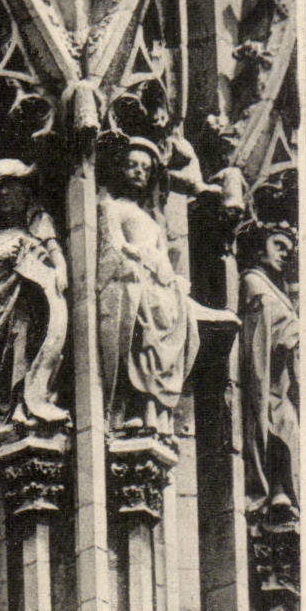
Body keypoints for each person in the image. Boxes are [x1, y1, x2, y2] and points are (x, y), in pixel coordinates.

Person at [96, 136, 200, 436]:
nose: (138, 172)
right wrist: (142, 259)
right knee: (142, 340)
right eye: (131, 165)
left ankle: (155, 411)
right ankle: (134, 408)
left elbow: (165, 259)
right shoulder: (111, 207)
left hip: (161, 287)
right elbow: (114, 248)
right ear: (119, 170)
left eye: (144, 167)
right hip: (136, 281)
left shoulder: (154, 222)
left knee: (169, 334)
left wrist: (173, 279)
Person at [0, 158, 68, 437]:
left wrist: (59, 270)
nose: (6, 197)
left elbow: (55, 253)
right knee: (8, 354)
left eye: (12, 190)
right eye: (0, 192)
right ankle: (12, 408)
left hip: (31, 306)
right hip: (1, 310)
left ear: (25, 195)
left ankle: (29, 404)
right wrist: (0, 255)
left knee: (27, 345)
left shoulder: (37, 227)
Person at [238, 221, 297, 515]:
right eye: (279, 245)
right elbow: (259, 334)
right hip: (265, 377)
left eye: (290, 250)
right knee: (273, 422)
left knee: (287, 424)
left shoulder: (280, 291)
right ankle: (272, 488)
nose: (285, 254)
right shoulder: (253, 281)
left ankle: (282, 488)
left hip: (283, 382)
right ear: (261, 246)